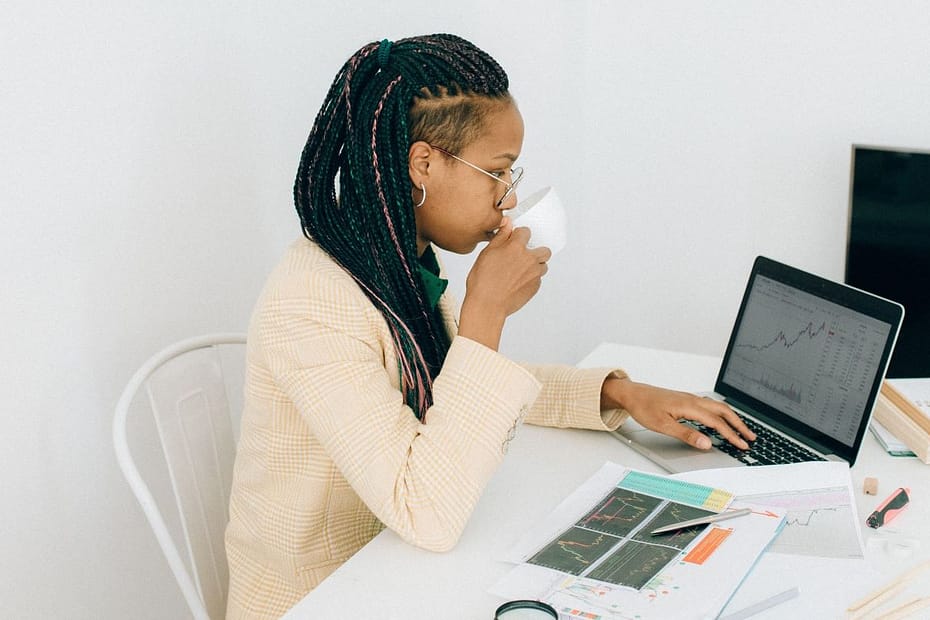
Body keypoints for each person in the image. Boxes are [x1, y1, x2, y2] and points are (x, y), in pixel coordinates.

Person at [224, 33, 754, 619]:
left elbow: (452, 383)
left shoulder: (397, 258)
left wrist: (618, 394)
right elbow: (425, 511)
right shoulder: (313, 302)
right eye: (498, 171)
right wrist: (485, 313)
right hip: (328, 596)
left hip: (398, 571)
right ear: (422, 163)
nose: (510, 196)